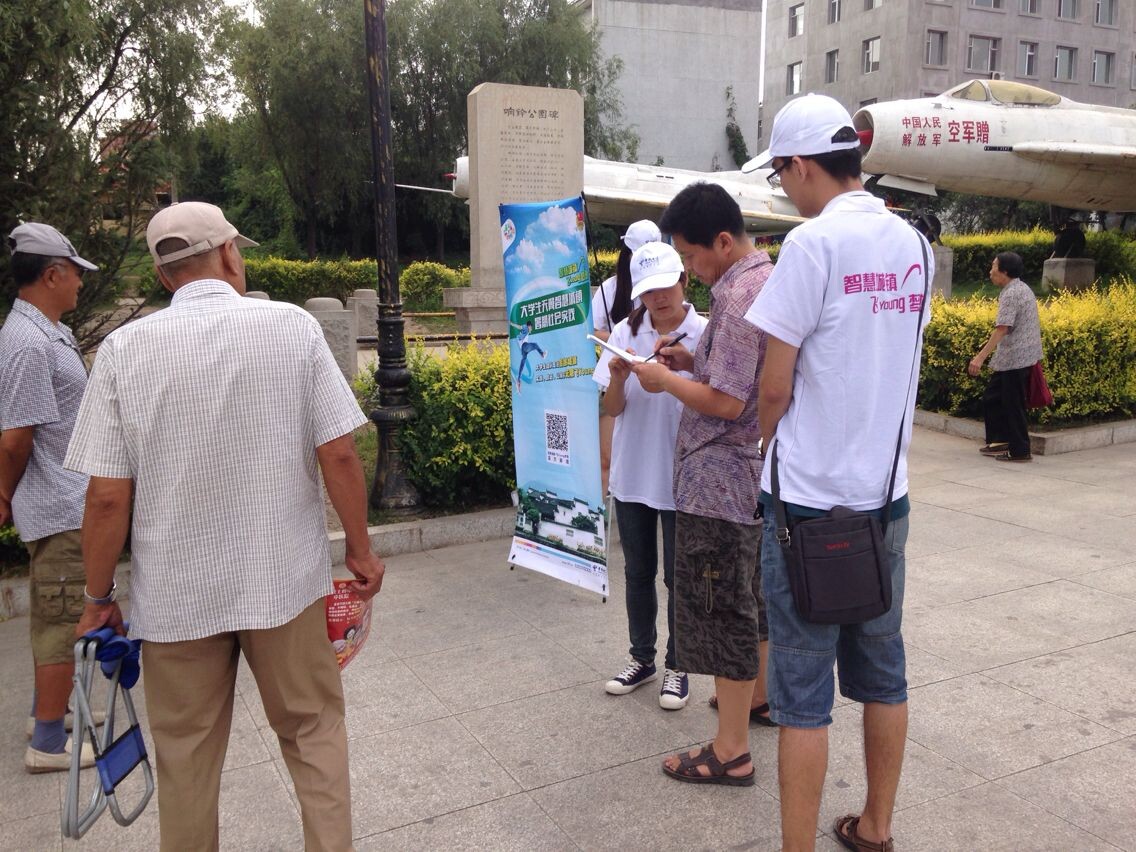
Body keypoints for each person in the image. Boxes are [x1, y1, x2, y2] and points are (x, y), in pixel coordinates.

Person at [64, 201, 385, 851]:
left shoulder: (124, 350)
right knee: (313, 732)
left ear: (163, 276)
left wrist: (98, 599)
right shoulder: (291, 329)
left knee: (185, 758)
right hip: (282, 583)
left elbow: (106, 499)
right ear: (231, 255)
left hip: (176, 599)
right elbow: (339, 453)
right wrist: (359, 550)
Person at [745, 94, 932, 852]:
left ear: (800, 165)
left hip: (807, 509)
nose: (784, 189)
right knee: (885, 672)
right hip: (886, 500)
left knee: (801, 694)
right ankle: (876, 827)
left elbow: (774, 387)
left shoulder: (812, 246)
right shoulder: (913, 243)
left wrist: (762, 450)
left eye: (780, 174)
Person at [632, 183, 774, 786]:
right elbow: (738, 377)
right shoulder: (759, 281)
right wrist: (692, 363)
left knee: (721, 605)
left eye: (690, 256)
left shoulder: (737, 298)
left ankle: (730, 751)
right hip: (744, 476)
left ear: (722, 241)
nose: (688, 268)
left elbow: (726, 402)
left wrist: (665, 382)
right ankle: (757, 698)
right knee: (749, 596)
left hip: (718, 479)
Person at [1, 223, 98, 773]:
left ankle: (54, 711)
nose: (81, 283)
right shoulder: (28, 342)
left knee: (63, 612)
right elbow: (15, 437)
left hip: (69, 498)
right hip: (58, 504)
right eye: (76, 273)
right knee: (61, 620)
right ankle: (46, 743)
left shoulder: (47, 333)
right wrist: (2, 494)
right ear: (53, 275)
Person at [594, 241, 707, 710]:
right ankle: (642, 658)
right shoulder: (625, 330)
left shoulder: (704, 333)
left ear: (684, 280)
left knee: (680, 577)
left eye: (666, 286)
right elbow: (612, 408)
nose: (659, 298)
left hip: (684, 475)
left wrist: (675, 377)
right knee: (638, 571)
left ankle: (679, 664)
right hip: (634, 472)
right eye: (648, 290)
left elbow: (721, 401)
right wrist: (620, 377)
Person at [593, 219, 660, 493]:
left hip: (654, 377)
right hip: (616, 376)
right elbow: (594, 330)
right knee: (607, 458)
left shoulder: (662, 291)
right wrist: (622, 339)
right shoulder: (610, 288)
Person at [968, 251, 1042, 463]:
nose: (990, 271)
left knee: (1013, 404)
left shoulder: (1011, 294)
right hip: (1016, 357)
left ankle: (1020, 450)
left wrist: (980, 357)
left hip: (1016, 359)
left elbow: (1002, 328)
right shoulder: (1021, 287)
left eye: (994, 266)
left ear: (1005, 272)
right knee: (992, 398)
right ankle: (1000, 441)